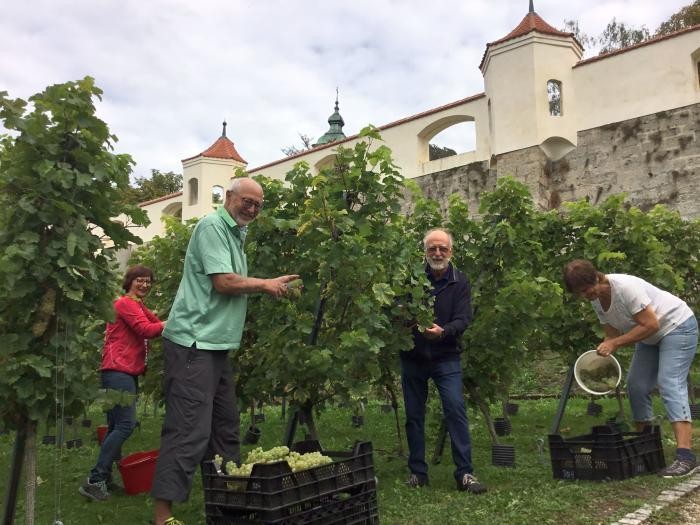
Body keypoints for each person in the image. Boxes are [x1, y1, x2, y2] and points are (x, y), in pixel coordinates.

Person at [151, 177, 298, 525]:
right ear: (228, 197)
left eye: (257, 204)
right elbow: (224, 281)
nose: (251, 208)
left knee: (225, 428)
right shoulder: (213, 226)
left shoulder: (235, 233)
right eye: (246, 201)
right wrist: (266, 284)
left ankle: (227, 505)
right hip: (193, 343)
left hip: (214, 346)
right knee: (189, 429)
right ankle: (162, 517)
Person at [563, 259, 699, 477]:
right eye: (579, 293)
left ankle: (686, 457)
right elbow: (612, 334)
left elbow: (651, 324)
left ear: (596, 278)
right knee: (636, 386)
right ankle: (646, 449)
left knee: (669, 383)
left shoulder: (626, 288)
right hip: (650, 337)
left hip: (677, 326)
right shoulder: (596, 300)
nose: (584, 296)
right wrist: (604, 351)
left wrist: (615, 343)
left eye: (586, 290)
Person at [400, 228, 487, 494]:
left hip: (446, 356)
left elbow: (464, 318)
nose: (437, 253)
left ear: (450, 251)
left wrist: (444, 332)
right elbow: (397, 311)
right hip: (413, 356)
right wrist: (410, 322)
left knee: (455, 409)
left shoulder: (459, 281)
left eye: (443, 249)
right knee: (414, 416)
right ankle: (418, 472)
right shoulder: (410, 279)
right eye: (432, 249)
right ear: (424, 252)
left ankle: (464, 473)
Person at [79, 264, 165, 501]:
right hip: (119, 371)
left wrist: (175, 321)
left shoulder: (137, 305)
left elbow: (157, 322)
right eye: (140, 280)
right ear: (129, 281)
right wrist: (173, 324)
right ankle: (95, 479)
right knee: (126, 425)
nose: (145, 284)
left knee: (116, 425)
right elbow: (147, 329)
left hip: (120, 371)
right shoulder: (125, 303)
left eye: (148, 281)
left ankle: (103, 479)